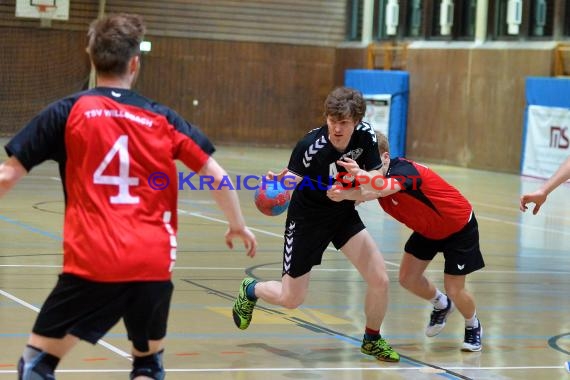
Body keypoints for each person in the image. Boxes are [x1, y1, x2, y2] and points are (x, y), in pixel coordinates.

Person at [0, 13, 257, 380]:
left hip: (93, 260)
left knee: (38, 364)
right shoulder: (162, 118)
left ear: (91, 57)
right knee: (147, 365)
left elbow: (7, 175)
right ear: (135, 63)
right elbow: (217, 176)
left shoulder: (68, 111)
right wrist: (237, 225)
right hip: (152, 261)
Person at [231, 87, 400, 362]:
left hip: (342, 214)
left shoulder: (367, 137)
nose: (336, 128)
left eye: (343, 122)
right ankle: (251, 289)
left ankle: (372, 339)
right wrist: (277, 187)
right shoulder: (310, 145)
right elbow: (290, 182)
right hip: (307, 220)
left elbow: (377, 180)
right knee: (291, 299)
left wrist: (359, 180)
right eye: (332, 121)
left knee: (380, 279)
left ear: (356, 121)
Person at [327, 131, 484, 352]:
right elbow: (367, 191)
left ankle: (472, 325)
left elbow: (383, 188)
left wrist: (358, 179)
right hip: (428, 229)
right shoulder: (376, 178)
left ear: (385, 158)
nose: (367, 169)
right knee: (407, 278)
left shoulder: (405, 171)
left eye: (371, 164)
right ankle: (441, 304)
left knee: (455, 288)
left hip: (458, 227)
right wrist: (342, 194)